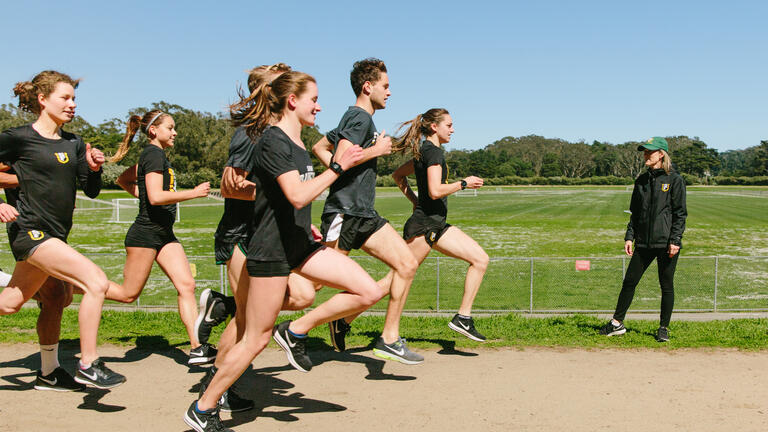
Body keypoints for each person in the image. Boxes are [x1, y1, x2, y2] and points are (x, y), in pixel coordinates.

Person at [184, 70, 380, 432]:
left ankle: (295, 331)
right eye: (314, 100)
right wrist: (340, 165)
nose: (319, 107)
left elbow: (289, 201)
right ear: (293, 101)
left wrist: (306, 224)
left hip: (300, 243)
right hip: (270, 250)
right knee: (255, 337)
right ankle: (204, 406)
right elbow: (298, 194)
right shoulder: (272, 141)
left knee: (368, 290)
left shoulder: (298, 143)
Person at [194, 63, 325, 413]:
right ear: (268, 91)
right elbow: (228, 186)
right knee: (247, 322)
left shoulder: (282, 133)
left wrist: (287, 208)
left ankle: (221, 311)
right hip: (242, 234)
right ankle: (215, 388)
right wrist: (275, 196)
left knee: (301, 295)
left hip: (268, 233)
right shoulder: (251, 133)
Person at [0, 70, 125, 389]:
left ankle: (49, 372)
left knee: (13, 304)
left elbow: (90, 187)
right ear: (43, 100)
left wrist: (95, 168)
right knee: (95, 281)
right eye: (65, 98)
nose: (73, 104)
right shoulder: (18, 138)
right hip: (30, 233)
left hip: (54, 237)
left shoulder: (73, 143)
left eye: (74, 98)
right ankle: (88, 362)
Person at [311, 58, 421, 364]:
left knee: (407, 264)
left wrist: (337, 173)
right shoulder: (358, 118)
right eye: (385, 86)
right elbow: (343, 155)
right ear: (367, 86)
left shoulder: (356, 120)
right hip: (344, 213)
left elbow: (321, 148)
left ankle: (389, 338)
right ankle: (236, 307)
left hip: (363, 214)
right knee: (312, 285)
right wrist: (376, 150)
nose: (389, 92)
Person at [106, 109, 214, 364]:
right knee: (127, 294)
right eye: (170, 128)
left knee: (186, 285)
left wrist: (141, 194)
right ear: (154, 131)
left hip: (164, 234)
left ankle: (197, 348)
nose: (175, 132)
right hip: (145, 234)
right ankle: (73, 287)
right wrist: (193, 193)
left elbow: (124, 179)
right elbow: (155, 197)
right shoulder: (153, 154)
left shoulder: (154, 156)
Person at [390, 108, 489, 341]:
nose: (453, 130)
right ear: (435, 127)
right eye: (449, 125)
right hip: (424, 227)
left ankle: (463, 318)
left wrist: (415, 201)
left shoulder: (423, 151)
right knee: (392, 281)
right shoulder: (433, 153)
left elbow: (397, 176)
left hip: (437, 225)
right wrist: (463, 183)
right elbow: (435, 191)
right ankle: (344, 318)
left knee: (480, 259)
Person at [0, 163, 85, 391]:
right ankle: (51, 372)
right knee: (11, 304)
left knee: (57, 297)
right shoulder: (21, 143)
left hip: (52, 230)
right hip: (31, 231)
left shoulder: (63, 146)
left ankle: (49, 373)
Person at [599, 137, 687, 342]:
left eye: (650, 152)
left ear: (661, 154)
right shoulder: (641, 180)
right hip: (644, 243)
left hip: (666, 244)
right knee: (629, 282)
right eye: (645, 152)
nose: (646, 155)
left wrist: (675, 240)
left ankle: (663, 328)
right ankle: (616, 324)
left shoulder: (674, 180)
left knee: (666, 286)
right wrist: (630, 236)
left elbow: (680, 213)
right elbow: (635, 213)